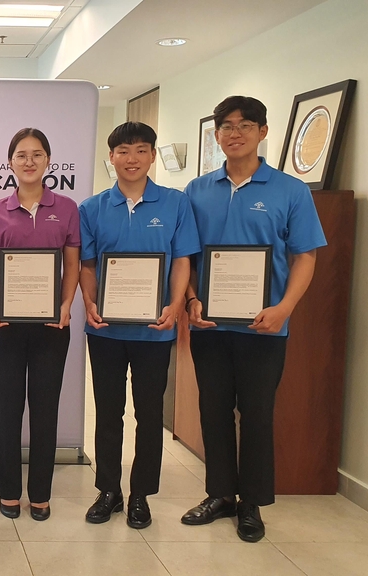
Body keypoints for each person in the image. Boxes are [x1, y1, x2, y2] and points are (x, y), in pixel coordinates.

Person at [180, 96, 326, 542]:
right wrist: (190, 298)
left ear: (263, 132)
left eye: (244, 125)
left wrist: (284, 308)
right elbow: (185, 255)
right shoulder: (197, 190)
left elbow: (305, 257)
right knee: (213, 410)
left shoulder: (290, 191)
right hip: (209, 325)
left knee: (258, 413)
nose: (234, 133)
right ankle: (221, 494)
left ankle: (252, 505)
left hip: (265, 327)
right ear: (217, 134)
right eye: (225, 126)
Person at [78, 122, 200, 529]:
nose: (132, 159)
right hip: (106, 331)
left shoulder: (176, 203)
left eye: (141, 151)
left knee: (149, 415)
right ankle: (108, 490)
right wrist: (90, 302)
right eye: (123, 151)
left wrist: (176, 304)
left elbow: (182, 259)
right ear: (111, 157)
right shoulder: (92, 208)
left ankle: (141, 494)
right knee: (108, 413)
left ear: (151, 156)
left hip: (155, 330)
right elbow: (89, 265)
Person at [0, 128, 80, 521]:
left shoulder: (67, 208)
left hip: (52, 325)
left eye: (37, 155)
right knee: (8, 407)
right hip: (5, 323)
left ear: (49, 162)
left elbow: (71, 265)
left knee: (44, 407)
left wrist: (66, 304)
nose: (29, 161)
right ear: (10, 164)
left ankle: (40, 492)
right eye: (21, 155)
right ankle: (8, 490)